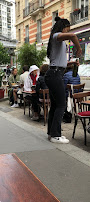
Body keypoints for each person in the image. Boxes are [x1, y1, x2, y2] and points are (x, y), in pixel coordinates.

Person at [44, 16, 82, 144]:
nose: (68, 31)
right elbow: (73, 36)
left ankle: (51, 133)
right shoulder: (56, 36)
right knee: (61, 104)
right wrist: (79, 48)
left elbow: (60, 63)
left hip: (54, 73)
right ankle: (56, 135)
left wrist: (71, 63)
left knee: (55, 105)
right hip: (55, 74)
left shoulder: (56, 40)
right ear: (63, 27)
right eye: (67, 29)